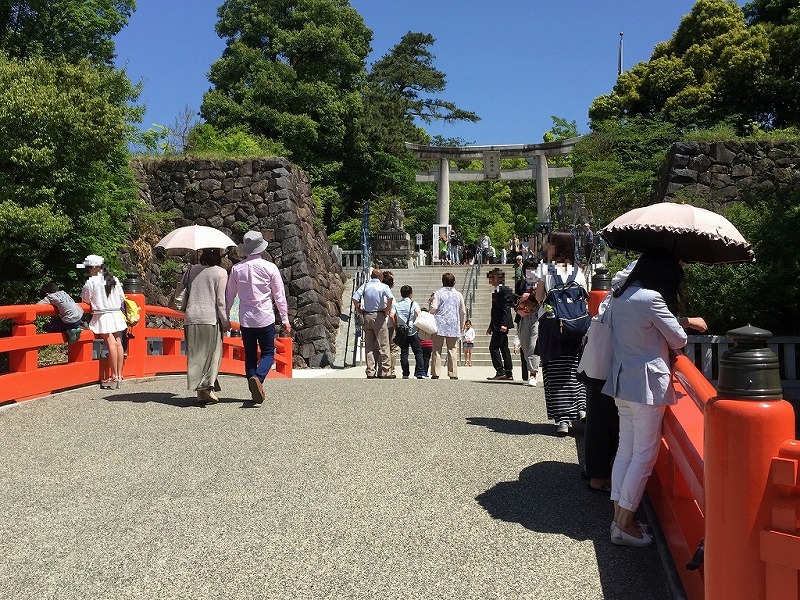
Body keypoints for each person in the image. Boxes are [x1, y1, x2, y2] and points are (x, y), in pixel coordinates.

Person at [602, 249, 707, 547]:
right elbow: (678, 339)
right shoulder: (651, 298)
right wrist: (684, 320)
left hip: (622, 382)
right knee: (644, 455)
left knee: (626, 451)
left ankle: (618, 518)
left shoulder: (621, 295)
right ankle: (624, 524)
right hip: (647, 386)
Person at [225, 231, 291, 403]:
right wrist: (285, 319)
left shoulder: (237, 269)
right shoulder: (270, 268)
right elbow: (279, 296)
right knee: (268, 352)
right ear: (261, 247)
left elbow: (229, 295)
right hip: (264, 316)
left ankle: (253, 383)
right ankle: (259, 378)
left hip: (246, 319)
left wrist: (225, 316)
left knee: (250, 354)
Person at [535, 231, 587, 435]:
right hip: (577, 326)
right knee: (577, 369)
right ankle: (582, 409)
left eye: (549, 245)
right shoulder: (578, 271)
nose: (547, 248)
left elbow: (540, 297)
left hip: (553, 326)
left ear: (557, 248)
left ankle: (563, 421)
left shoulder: (545, 269)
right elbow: (586, 295)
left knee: (556, 372)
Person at [183, 248, 230, 404]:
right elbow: (221, 301)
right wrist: (225, 321)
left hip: (191, 317)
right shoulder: (220, 273)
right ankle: (207, 388)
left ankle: (200, 393)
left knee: (195, 355)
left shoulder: (192, 270)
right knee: (212, 355)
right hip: (209, 318)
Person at [79, 255, 126, 389]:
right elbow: (122, 297)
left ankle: (113, 376)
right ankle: (119, 374)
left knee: (110, 343)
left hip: (102, 315)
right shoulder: (113, 279)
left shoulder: (91, 282)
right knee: (118, 342)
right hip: (116, 313)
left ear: (93, 267)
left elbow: (86, 300)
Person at [352, 267, 394, 379]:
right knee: (384, 344)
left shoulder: (365, 286)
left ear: (371, 276)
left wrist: (358, 309)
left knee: (369, 345)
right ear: (381, 277)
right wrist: (387, 308)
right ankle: (385, 371)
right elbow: (390, 298)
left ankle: (370, 371)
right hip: (379, 315)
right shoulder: (383, 286)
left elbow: (355, 298)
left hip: (367, 315)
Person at [429, 272, 466, 380]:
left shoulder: (438, 293)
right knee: (452, 349)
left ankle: (435, 373)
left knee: (436, 348)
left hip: (439, 323)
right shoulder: (458, 294)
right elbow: (462, 311)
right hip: (453, 323)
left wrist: (430, 302)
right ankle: (453, 373)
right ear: (454, 282)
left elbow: (433, 308)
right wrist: (462, 323)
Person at [486, 268, 515, 381]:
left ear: (498, 278)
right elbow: (495, 310)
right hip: (497, 324)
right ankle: (508, 373)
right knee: (504, 348)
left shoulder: (504, 290)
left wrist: (504, 323)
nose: (490, 280)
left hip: (501, 324)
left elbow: (506, 308)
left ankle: (500, 371)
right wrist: (490, 326)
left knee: (493, 347)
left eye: (492, 278)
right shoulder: (497, 291)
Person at [394, 285, 425, 379]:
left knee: (404, 352)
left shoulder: (397, 304)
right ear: (410, 294)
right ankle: (420, 372)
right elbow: (419, 315)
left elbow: (391, 315)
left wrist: (396, 326)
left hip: (402, 331)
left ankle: (405, 373)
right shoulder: (414, 304)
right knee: (418, 352)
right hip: (412, 330)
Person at [514, 293, 540, 386]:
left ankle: (533, 374)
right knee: (525, 347)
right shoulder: (521, 284)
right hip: (523, 319)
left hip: (536, 318)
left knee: (533, 346)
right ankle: (533, 370)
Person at [382, 271, 399, 377]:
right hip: (389, 324)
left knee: (382, 347)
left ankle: (382, 370)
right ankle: (391, 370)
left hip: (378, 324)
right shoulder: (390, 297)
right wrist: (396, 326)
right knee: (393, 348)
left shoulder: (378, 294)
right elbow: (392, 315)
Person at [416, 310, 434, 377]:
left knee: (419, 358)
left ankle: (417, 373)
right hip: (429, 343)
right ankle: (425, 373)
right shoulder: (431, 322)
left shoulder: (419, 323)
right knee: (426, 359)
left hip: (421, 343)